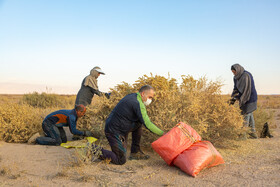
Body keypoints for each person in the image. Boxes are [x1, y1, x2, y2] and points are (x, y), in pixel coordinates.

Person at [91, 85, 164, 165]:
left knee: (139, 122)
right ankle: (91, 149)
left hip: (119, 126)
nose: (150, 100)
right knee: (120, 160)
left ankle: (135, 152)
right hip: (114, 131)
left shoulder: (133, 96)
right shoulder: (137, 103)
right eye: (150, 97)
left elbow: (143, 120)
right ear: (143, 94)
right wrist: (163, 134)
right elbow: (148, 124)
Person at [230, 64, 258, 139]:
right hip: (243, 97)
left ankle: (243, 135)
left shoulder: (246, 75)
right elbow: (235, 88)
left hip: (250, 97)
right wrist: (232, 97)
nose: (234, 74)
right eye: (232, 72)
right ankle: (253, 134)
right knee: (249, 114)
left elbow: (246, 90)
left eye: (234, 72)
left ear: (238, 70)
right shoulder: (236, 78)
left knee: (245, 114)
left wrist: (237, 98)